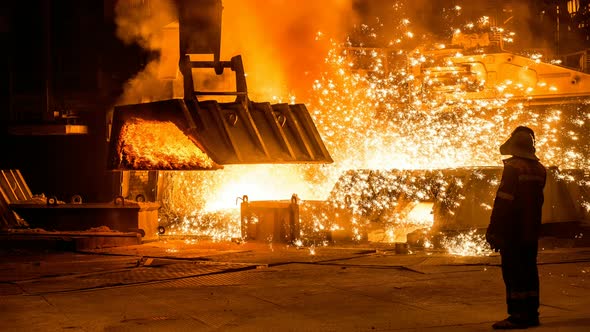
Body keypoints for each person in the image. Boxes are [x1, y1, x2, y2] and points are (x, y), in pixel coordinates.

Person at [486, 126, 547, 329]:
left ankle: (517, 316)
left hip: (512, 229)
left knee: (513, 272)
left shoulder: (513, 167)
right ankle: (531, 313)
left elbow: (504, 201)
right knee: (529, 270)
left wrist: (494, 230)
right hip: (531, 229)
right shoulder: (540, 169)